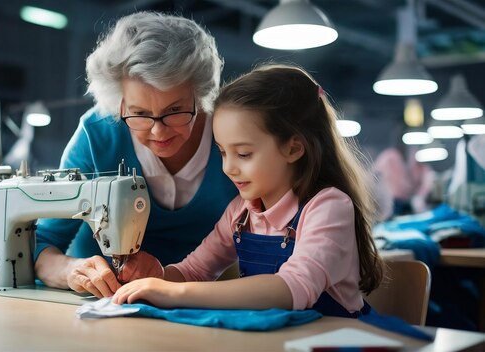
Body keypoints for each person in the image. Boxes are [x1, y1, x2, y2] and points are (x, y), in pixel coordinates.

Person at [113, 64, 385, 317]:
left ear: (293, 148)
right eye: (222, 152)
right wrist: (154, 280)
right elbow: (194, 270)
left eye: (243, 154)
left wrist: (176, 292)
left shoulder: (328, 207)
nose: (228, 168)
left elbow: (291, 288)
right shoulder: (241, 212)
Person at [33, 12, 238, 298]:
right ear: (117, 101)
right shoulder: (98, 135)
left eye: (175, 111)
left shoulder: (232, 136)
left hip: (194, 301)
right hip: (100, 300)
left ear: (201, 94)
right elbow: (41, 242)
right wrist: (71, 271)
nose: (158, 132)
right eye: (140, 113)